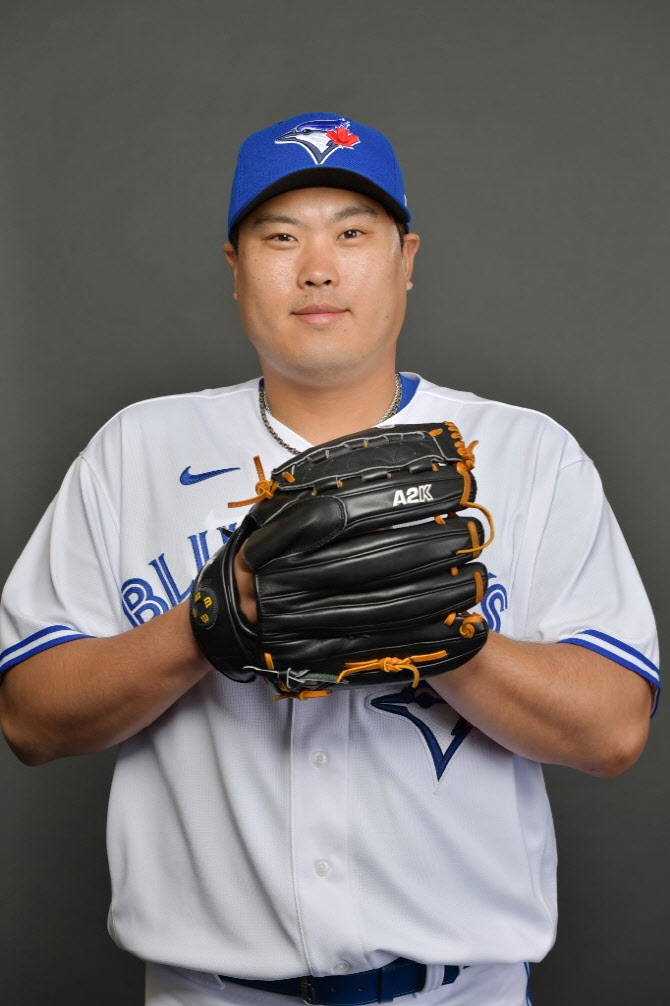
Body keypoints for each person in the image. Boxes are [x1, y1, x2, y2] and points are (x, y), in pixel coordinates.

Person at [0, 112, 659, 1006]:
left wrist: (440, 633)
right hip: (208, 994)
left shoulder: (529, 453)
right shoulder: (136, 450)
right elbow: (30, 719)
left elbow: (614, 732)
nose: (317, 267)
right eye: (281, 238)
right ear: (235, 268)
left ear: (405, 259)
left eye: (352, 233)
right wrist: (214, 620)